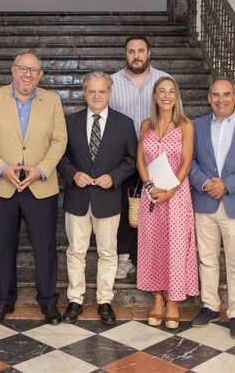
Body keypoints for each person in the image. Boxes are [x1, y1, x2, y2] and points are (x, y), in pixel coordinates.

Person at [0, 51, 67, 325]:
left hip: (39, 185)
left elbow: (59, 140)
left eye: (34, 71)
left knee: (45, 247)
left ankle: (49, 302)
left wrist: (42, 169)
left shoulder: (52, 100)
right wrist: (2, 168)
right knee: (3, 246)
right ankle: (4, 301)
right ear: (13, 70)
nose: (28, 75)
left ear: (41, 75)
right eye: (23, 69)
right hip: (3, 185)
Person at [57, 72, 137, 325]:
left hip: (108, 199)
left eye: (102, 91)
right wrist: (73, 174)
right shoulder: (70, 122)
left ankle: (104, 300)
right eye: (92, 91)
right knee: (76, 252)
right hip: (77, 197)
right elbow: (60, 157)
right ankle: (75, 300)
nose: (97, 96)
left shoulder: (124, 124)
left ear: (110, 93)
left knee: (108, 252)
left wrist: (113, 177)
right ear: (84, 93)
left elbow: (132, 160)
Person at [189, 77, 235, 339]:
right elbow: (190, 161)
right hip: (205, 200)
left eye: (225, 95)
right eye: (215, 95)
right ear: (209, 98)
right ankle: (210, 306)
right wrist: (205, 183)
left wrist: (227, 185)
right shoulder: (196, 126)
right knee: (207, 259)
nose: (220, 99)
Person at [136, 76, 199, 329]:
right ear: (154, 96)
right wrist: (149, 186)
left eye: (171, 91)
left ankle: (173, 301)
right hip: (151, 196)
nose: (166, 96)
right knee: (154, 246)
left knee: (175, 247)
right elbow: (140, 160)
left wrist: (172, 190)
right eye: (161, 91)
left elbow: (186, 161)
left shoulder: (185, 125)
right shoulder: (145, 125)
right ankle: (158, 298)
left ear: (177, 96)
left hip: (176, 196)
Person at [110, 36, 170, 279]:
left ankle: (149, 258)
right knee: (124, 208)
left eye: (141, 51)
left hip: (155, 157)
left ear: (149, 53)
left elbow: (174, 114)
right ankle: (124, 258)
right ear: (126, 54)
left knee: (153, 208)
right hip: (122, 157)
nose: (136, 55)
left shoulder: (164, 81)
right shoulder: (112, 82)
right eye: (131, 51)